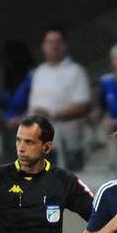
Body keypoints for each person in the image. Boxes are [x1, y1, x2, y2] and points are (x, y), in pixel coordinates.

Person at [28, 29, 90, 172]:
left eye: (58, 42)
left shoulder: (76, 71)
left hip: (68, 143)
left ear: (64, 45)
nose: (53, 46)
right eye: (49, 42)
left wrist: (52, 114)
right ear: (43, 46)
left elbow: (82, 105)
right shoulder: (39, 72)